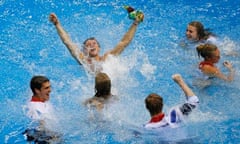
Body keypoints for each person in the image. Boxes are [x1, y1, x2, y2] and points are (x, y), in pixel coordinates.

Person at [49, 11, 144, 73]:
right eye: (88, 45)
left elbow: (124, 42)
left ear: (99, 48)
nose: (91, 45)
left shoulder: (107, 58)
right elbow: (68, 42)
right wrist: (57, 24)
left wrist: (135, 23)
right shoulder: (84, 60)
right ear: (85, 51)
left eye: (94, 43)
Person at [23, 76, 61, 143]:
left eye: (49, 87)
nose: (50, 90)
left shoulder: (42, 101)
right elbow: (39, 127)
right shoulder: (35, 108)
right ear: (37, 90)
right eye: (46, 88)